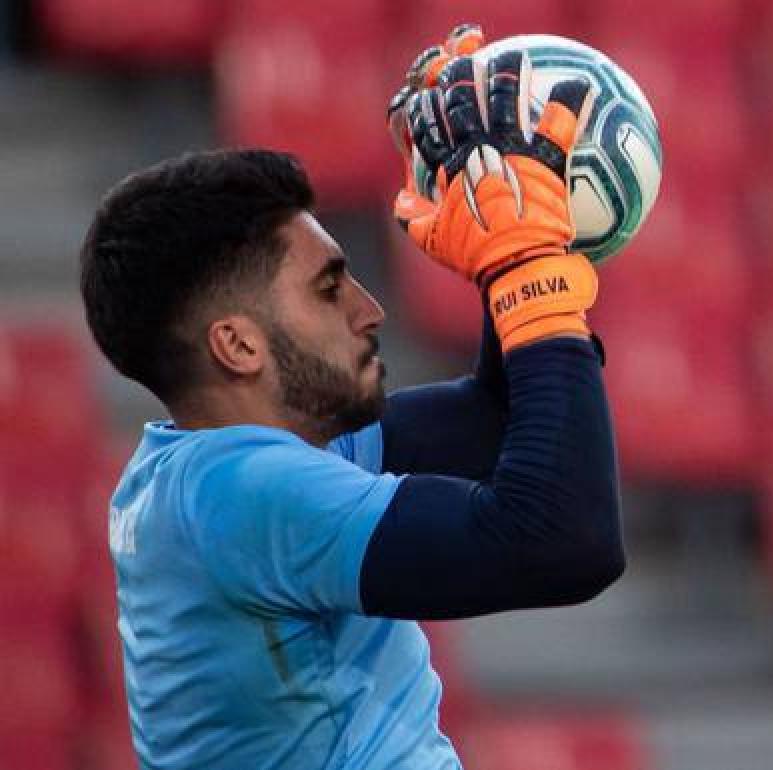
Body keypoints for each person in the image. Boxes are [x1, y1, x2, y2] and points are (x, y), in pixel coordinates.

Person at [78, 31, 623, 769]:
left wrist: (523, 227)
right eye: (329, 288)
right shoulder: (244, 495)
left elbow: (501, 424)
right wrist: (527, 271)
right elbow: (564, 543)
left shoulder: (221, 464)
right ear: (237, 346)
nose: (370, 309)